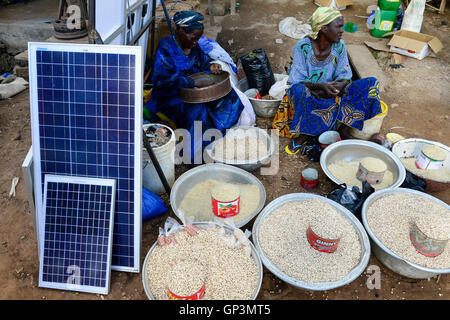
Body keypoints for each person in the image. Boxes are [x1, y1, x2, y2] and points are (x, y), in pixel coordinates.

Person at [272, 7, 382, 154]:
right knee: (299, 91)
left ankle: (343, 130)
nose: (342, 30)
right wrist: (321, 87)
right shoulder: (302, 47)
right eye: (338, 26)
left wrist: (339, 85)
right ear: (324, 28)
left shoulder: (339, 46)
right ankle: (304, 136)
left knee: (371, 85)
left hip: (332, 92)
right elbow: (296, 81)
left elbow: (344, 75)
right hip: (311, 93)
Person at [146, 11, 244, 161]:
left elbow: (202, 62)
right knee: (198, 111)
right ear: (181, 31)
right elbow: (162, 80)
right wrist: (192, 83)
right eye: (193, 38)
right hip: (172, 97)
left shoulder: (194, 46)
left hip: (196, 92)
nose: (196, 42)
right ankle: (196, 155)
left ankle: (217, 134)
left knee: (230, 97)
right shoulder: (166, 47)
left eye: (198, 38)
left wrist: (210, 67)